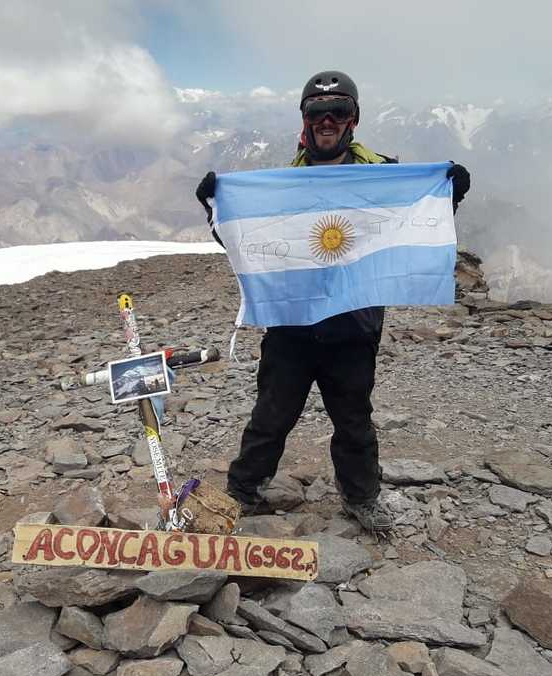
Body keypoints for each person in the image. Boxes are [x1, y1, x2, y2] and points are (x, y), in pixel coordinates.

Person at [195, 70, 470, 533]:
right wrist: (219, 213)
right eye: (317, 112)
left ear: (353, 120)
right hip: (293, 323)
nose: (327, 121)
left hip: (352, 325)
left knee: (353, 419)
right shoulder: (284, 184)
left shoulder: (384, 176)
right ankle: (243, 491)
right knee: (271, 414)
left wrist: (448, 199)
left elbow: (408, 226)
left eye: (337, 112)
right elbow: (257, 249)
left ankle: (361, 498)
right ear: (305, 121)